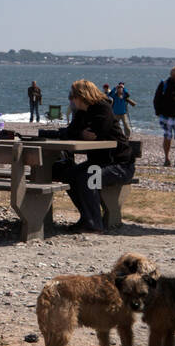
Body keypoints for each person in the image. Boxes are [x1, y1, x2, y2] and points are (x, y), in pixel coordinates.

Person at [51, 80, 136, 233]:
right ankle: (87, 217)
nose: (70, 99)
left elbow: (96, 133)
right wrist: (81, 133)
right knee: (67, 175)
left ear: (81, 96)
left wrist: (80, 133)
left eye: (72, 96)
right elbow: (71, 132)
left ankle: (95, 223)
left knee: (87, 177)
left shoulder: (103, 108)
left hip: (119, 165)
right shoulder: (82, 112)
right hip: (99, 163)